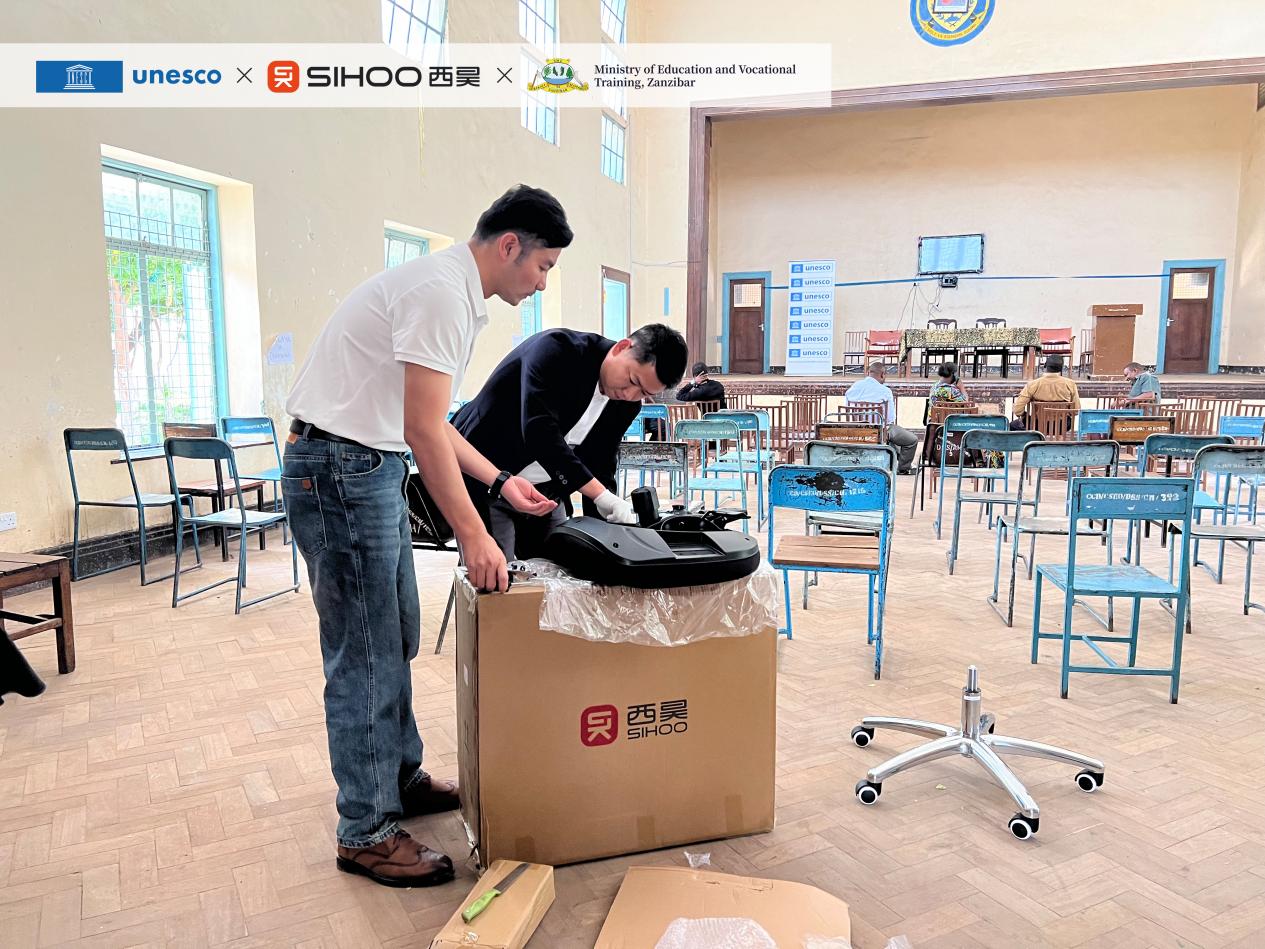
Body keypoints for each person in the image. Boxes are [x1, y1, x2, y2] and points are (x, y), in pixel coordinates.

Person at [281, 185, 569, 888]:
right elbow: (420, 430)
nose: (540, 283)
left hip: (365, 467)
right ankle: (365, 830)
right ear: (510, 246)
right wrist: (474, 534)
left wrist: (499, 482)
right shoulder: (441, 293)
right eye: (542, 267)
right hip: (342, 469)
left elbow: (431, 420)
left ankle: (399, 778)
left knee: (395, 635)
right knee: (366, 653)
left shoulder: (452, 291)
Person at [453, 324, 688, 559]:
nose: (630, 394)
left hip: (546, 489)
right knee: (494, 572)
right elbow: (539, 431)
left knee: (556, 569)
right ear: (622, 347)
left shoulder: (626, 405)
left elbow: (600, 463)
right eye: (632, 380)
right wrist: (600, 495)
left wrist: (609, 533)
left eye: (644, 393)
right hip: (488, 472)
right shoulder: (557, 350)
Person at [846, 360, 918, 474]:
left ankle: (893, 460)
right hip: (879, 432)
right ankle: (903, 468)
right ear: (882, 374)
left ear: (868, 372)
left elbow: (848, 410)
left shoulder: (853, 388)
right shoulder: (885, 391)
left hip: (856, 430)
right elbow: (890, 418)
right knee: (911, 440)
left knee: (892, 435)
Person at [1011, 355, 1081, 429]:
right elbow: (1076, 410)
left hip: (1037, 424)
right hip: (1062, 426)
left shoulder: (1033, 384)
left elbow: (1017, 410)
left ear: (1045, 365)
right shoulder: (1070, 384)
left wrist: (1025, 415)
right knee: (1067, 420)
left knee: (1013, 425)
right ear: (1061, 368)